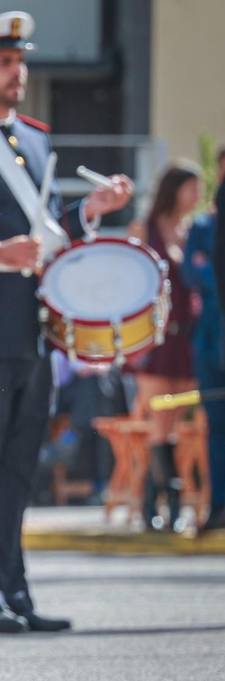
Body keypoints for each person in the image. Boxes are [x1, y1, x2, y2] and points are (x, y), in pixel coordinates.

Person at [0, 10, 133, 632]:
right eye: (4, 63)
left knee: (18, 466)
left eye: (20, 62)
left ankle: (12, 589)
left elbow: (46, 234)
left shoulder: (38, 140)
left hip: (34, 331)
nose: (18, 73)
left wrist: (90, 211)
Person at [132, 163, 202, 530]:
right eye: (191, 188)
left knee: (178, 425)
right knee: (159, 424)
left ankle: (157, 501)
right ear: (174, 189)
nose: (197, 196)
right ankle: (163, 506)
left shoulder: (195, 230)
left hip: (189, 339)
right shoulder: (148, 229)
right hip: (158, 339)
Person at [184, 156, 225, 532]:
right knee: (216, 426)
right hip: (211, 339)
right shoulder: (202, 226)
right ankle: (218, 506)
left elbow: (203, 269)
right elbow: (190, 270)